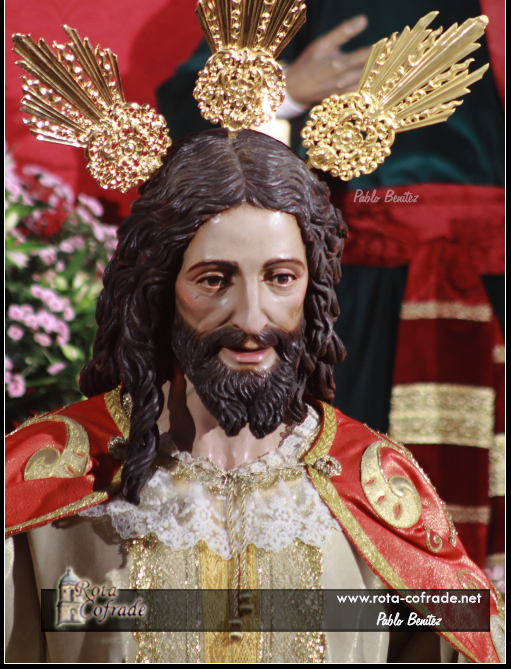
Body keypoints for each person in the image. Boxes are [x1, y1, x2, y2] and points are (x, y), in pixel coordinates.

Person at [5, 130, 503, 663]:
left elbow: (466, 640)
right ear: (159, 288)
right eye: (214, 280)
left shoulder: (372, 485)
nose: (250, 318)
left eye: (280, 278)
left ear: (312, 287)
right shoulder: (50, 480)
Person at [156, 0, 505, 573]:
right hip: (363, 284)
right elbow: (184, 105)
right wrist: (285, 90)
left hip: (495, 273)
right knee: (350, 506)